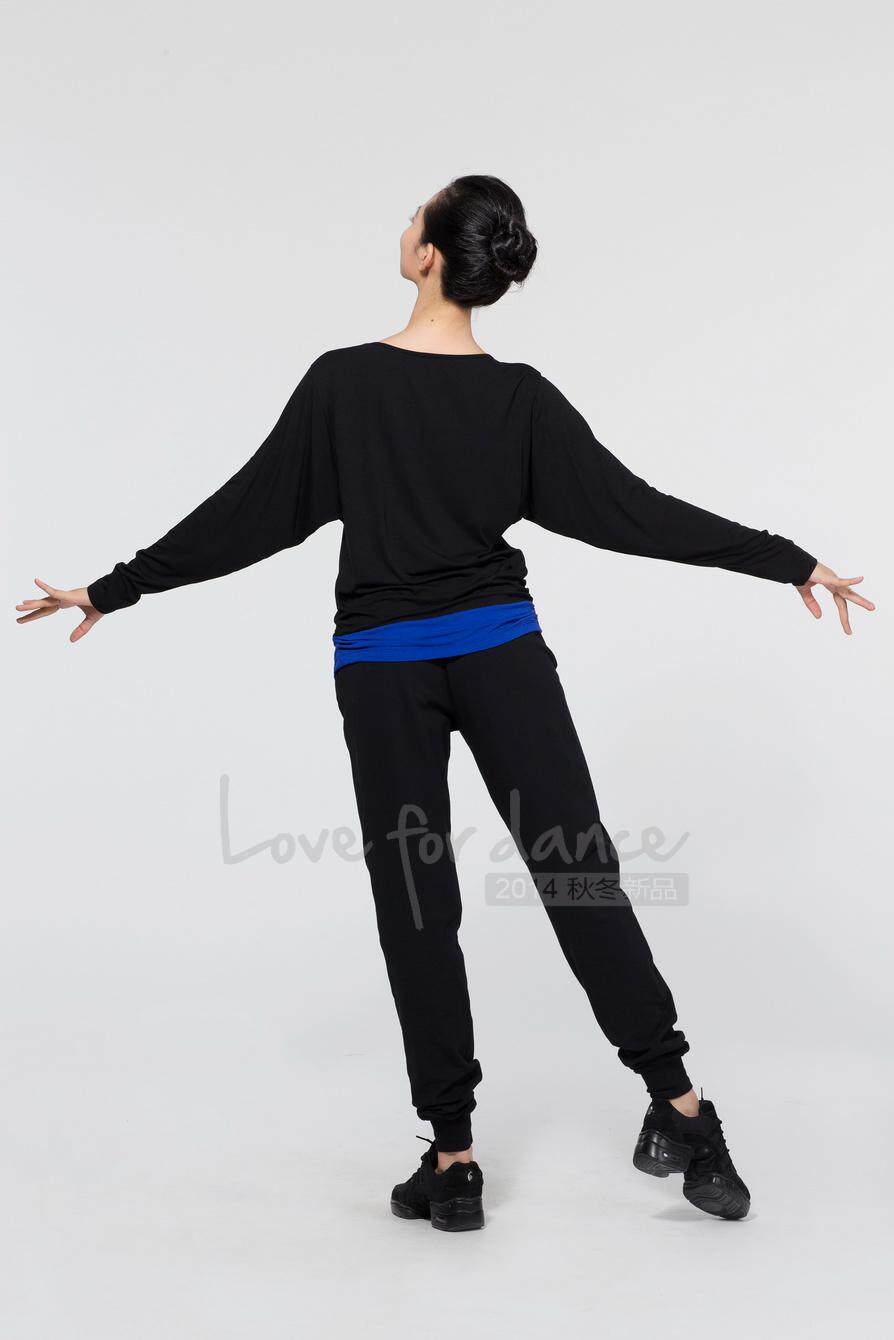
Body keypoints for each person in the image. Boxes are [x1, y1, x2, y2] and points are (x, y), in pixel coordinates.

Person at [16, 175, 874, 1231]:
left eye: (412, 215)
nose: (403, 225)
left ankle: (455, 1157)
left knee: (416, 897)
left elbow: (251, 511)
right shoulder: (518, 398)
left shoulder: (344, 384)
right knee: (578, 870)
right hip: (503, 656)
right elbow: (634, 511)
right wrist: (784, 557)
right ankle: (683, 1110)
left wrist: (116, 586)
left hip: (383, 669)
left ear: (428, 253)